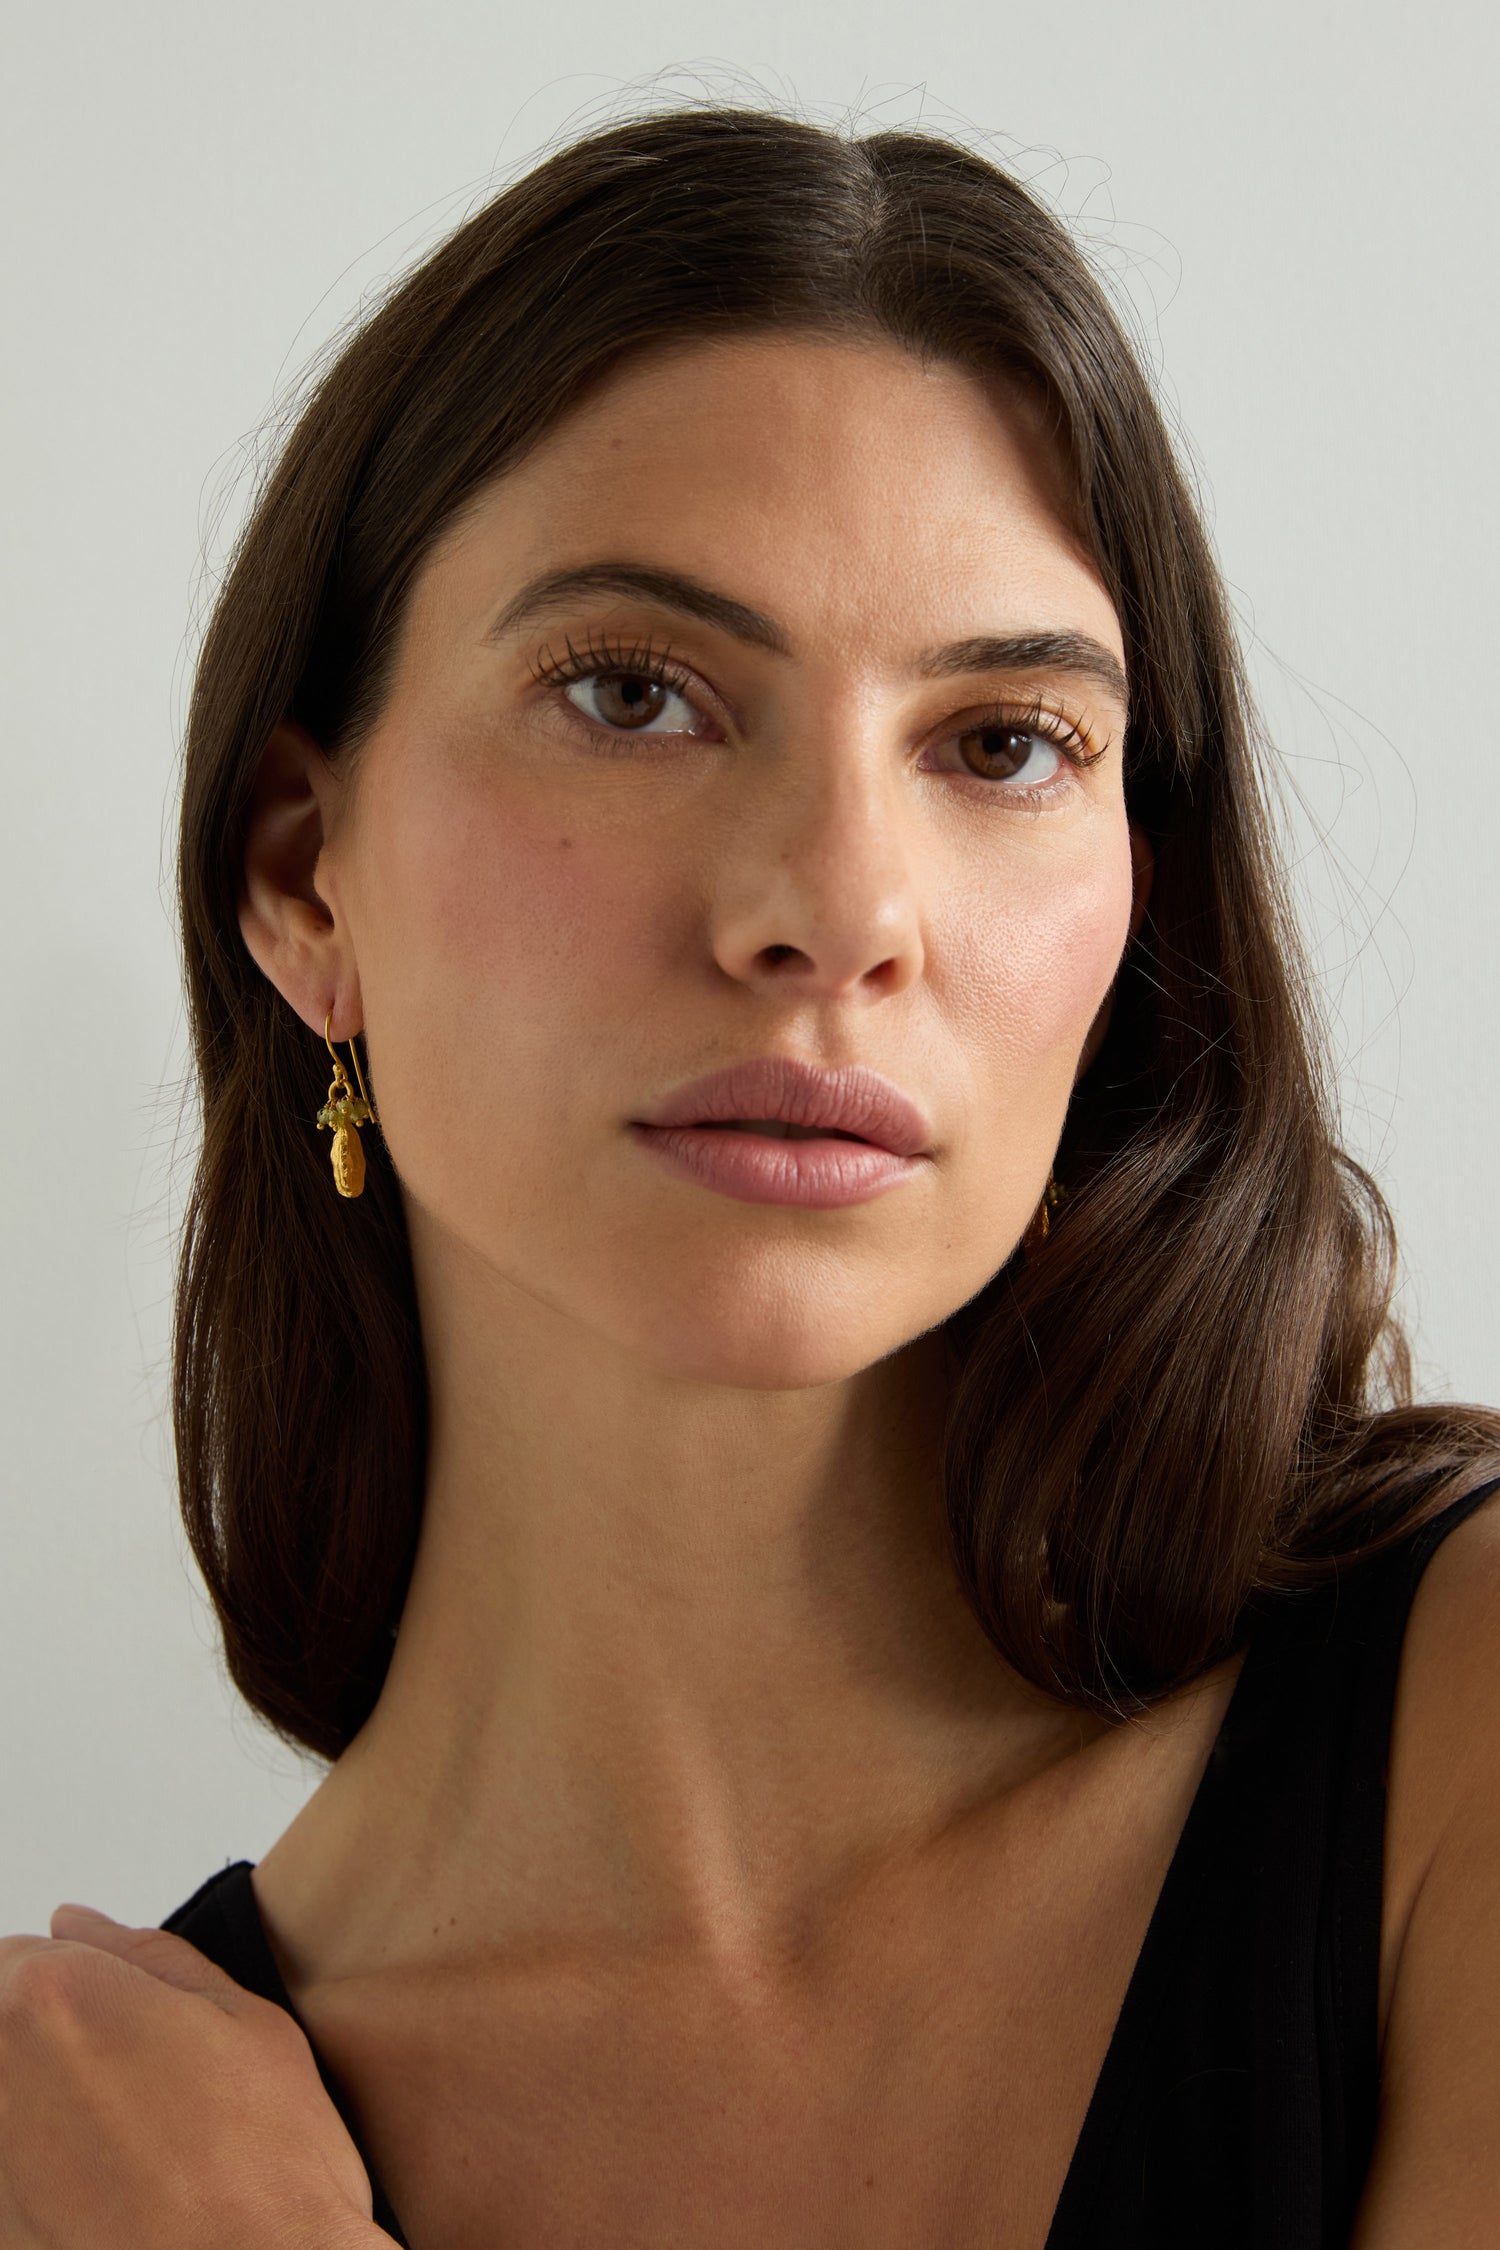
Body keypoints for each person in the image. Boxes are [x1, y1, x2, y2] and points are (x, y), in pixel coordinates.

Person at [2, 104, 1497, 2250]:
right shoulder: (77, 2159)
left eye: (1002, 744)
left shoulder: (1458, 1743)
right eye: (634, 695)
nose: (836, 910)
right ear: (302, 875)